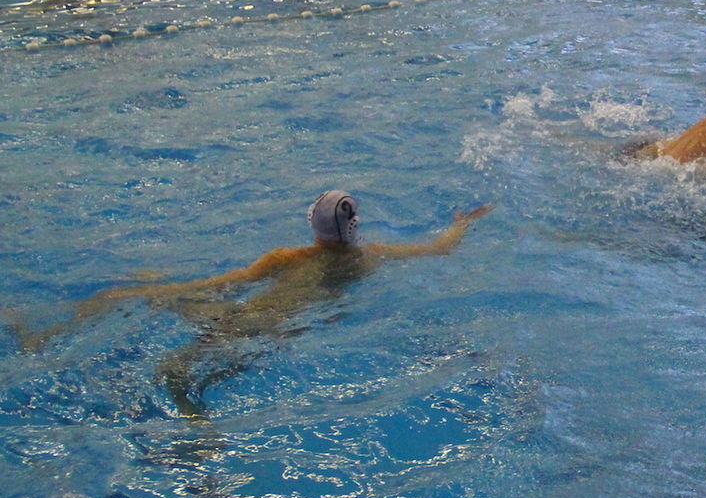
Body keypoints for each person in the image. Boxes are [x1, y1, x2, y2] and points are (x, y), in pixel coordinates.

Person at [9, 193, 491, 415]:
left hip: (245, 320)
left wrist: (171, 293)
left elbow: (226, 284)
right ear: (355, 226)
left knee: (164, 359)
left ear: (312, 225)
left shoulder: (285, 258)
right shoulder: (372, 257)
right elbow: (439, 249)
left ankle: (43, 339)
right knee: (183, 374)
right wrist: (461, 224)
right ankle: (196, 423)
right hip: (281, 332)